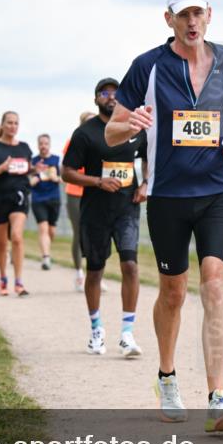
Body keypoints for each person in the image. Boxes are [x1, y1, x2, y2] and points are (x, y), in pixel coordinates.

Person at [105, 0, 223, 431]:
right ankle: (167, 378)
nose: (192, 22)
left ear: (210, 14)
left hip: (216, 192)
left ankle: (218, 398)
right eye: (182, 15)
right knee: (173, 291)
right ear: (168, 19)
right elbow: (113, 132)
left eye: (198, 14)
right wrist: (130, 122)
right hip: (168, 196)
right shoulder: (147, 66)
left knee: (214, 283)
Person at [63, 78, 147, 358]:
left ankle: (127, 333)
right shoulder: (85, 133)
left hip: (127, 209)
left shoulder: (135, 129)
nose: (111, 97)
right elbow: (67, 172)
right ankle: (96, 330)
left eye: (116, 93)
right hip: (95, 211)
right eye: (105, 93)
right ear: (96, 98)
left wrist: (146, 183)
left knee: (131, 266)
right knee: (95, 270)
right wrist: (98, 181)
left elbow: (148, 157)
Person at [0, 111, 33, 297]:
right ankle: (3, 278)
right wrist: (0, 168)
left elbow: (28, 170)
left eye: (16, 123)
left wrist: (35, 172)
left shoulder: (25, 148)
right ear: (2, 125)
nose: (13, 126)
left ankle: (19, 281)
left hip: (19, 197)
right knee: (1, 243)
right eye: (9, 123)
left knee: (17, 237)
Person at [30, 133, 62, 270]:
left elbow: (63, 179)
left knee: (51, 231)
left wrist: (55, 178)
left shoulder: (56, 160)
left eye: (46, 144)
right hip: (38, 198)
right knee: (43, 228)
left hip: (54, 198)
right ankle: (46, 258)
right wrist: (34, 179)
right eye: (41, 143)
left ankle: (47, 251)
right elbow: (28, 182)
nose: (43, 146)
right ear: (38, 145)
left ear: (49, 145)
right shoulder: (33, 162)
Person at [64, 125, 88, 291]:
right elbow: (66, 168)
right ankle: (79, 273)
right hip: (75, 192)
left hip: (94, 192)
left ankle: (95, 274)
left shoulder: (103, 138)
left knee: (95, 233)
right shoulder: (72, 142)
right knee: (79, 232)